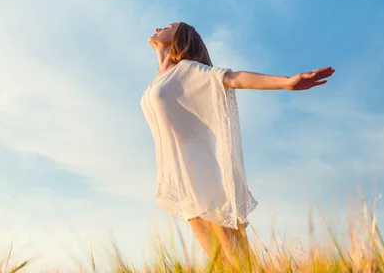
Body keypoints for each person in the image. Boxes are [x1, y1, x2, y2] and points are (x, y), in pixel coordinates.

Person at [140, 22, 334, 267]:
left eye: (168, 26)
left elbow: (231, 78)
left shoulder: (188, 70)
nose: (159, 27)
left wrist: (286, 82)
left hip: (207, 176)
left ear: (180, 38)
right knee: (219, 263)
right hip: (184, 181)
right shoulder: (156, 82)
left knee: (238, 260)